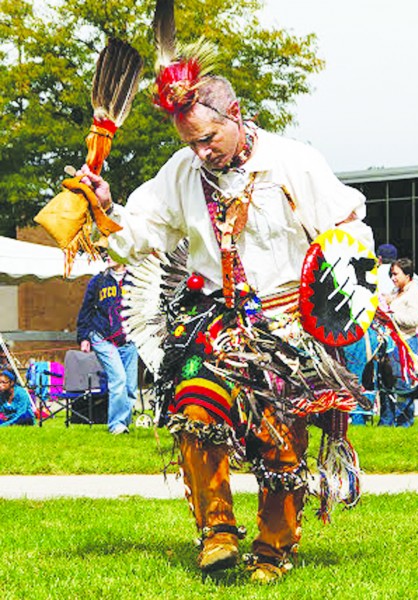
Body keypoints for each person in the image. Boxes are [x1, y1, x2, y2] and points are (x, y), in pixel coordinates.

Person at [77, 71, 374, 582]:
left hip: (286, 323)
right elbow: (140, 232)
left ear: (235, 115)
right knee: (195, 406)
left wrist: (339, 294)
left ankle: (274, 549)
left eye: (208, 139)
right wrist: (105, 207)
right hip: (214, 317)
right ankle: (216, 532)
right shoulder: (182, 172)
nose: (200, 152)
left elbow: (349, 225)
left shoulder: (292, 161)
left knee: (280, 438)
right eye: (190, 143)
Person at [76, 255, 138, 434]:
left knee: (130, 386)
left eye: (112, 253)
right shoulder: (98, 281)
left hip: (129, 338)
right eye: (106, 254)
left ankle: (124, 423)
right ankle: (116, 425)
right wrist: (84, 338)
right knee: (118, 379)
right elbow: (85, 310)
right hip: (102, 337)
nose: (107, 257)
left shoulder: (135, 280)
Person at [378, 258, 418, 427]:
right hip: (390, 342)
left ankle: (403, 422)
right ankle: (386, 421)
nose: (392, 278)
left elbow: (413, 320)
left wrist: (391, 314)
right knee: (387, 383)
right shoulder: (395, 291)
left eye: (396, 274)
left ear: (408, 275)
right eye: (391, 274)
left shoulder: (416, 295)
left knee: (403, 383)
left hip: (406, 343)